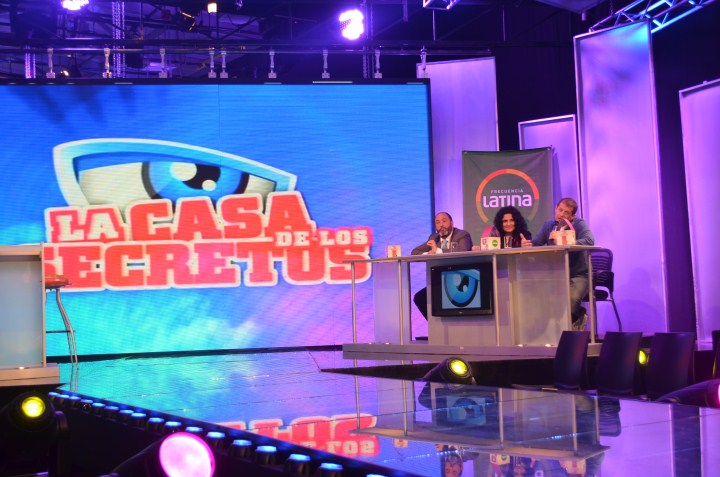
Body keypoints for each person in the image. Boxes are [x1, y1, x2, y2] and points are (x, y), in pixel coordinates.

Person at [522, 197, 594, 331]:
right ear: (555, 208)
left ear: (573, 216)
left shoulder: (579, 224)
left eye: (566, 212)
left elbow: (590, 240)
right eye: (560, 210)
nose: (561, 214)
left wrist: (567, 241)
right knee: (538, 297)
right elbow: (536, 244)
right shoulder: (548, 225)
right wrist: (527, 244)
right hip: (556, 274)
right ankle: (553, 333)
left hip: (578, 275)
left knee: (572, 299)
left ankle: (576, 319)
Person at [411, 212, 473, 320]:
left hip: (461, 279)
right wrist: (428, 253)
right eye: (437, 222)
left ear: (452, 223)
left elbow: (461, 251)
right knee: (420, 298)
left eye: (444, 221)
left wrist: (437, 251)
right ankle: (435, 326)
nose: (441, 225)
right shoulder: (434, 238)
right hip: (441, 280)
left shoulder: (462, 235)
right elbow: (414, 252)